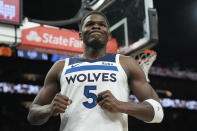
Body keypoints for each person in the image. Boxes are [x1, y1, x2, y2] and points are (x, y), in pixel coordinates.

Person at [27, 11, 164, 131]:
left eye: (102, 24)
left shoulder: (126, 63)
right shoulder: (61, 66)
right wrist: (49, 109)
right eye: (90, 24)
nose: (96, 26)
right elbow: (32, 114)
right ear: (80, 35)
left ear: (109, 35)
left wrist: (120, 105)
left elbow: (157, 112)